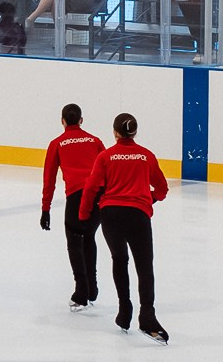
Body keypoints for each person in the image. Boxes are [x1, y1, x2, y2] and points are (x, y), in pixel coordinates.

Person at [76, 111, 169, 342]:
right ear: (135, 132)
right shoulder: (147, 156)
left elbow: (91, 188)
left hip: (111, 215)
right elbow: (162, 188)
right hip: (138, 215)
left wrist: (84, 214)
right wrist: (150, 199)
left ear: (115, 132)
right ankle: (147, 315)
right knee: (144, 265)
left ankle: (124, 310)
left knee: (120, 259)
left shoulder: (106, 157)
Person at [39, 103, 104, 309]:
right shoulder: (95, 141)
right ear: (81, 120)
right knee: (89, 237)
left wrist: (46, 208)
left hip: (76, 196)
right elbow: (107, 168)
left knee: (75, 242)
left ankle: (81, 291)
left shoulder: (57, 143)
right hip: (98, 196)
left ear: (63, 121)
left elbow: (49, 178)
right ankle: (92, 287)